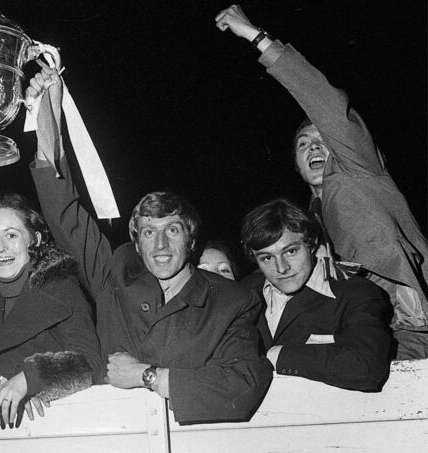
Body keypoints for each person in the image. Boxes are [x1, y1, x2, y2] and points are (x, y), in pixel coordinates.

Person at [26, 62, 272, 425]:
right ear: (136, 242)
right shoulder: (113, 278)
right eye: (147, 231)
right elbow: (62, 209)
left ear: (191, 240)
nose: (159, 243)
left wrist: (148, 375)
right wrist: (50, 106)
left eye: (172, 230)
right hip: (115, 436)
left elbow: (242, 386)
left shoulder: (232, 301)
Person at [216, 4, 428, 360]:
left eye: (323, 141)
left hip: (412, 321)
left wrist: (254, 36)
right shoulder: (309, 218)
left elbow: (325, 102)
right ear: (296, 163)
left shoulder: (358, 172)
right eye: (304, 144)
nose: (314, 147)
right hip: (363, 326)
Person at [0, 192, 104, 427]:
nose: (0, 247)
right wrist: (0, 378)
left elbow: (88, 362)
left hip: (60, 425)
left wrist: (28, 379)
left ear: (34, 240)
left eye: (11, 235)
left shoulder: (61, 290)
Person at [240, 198, 391, 390]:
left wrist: (278, 356)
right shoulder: (243, 294)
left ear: (311, 244)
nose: (281, 268)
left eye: (291, 251)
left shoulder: (355, 293)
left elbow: (366, 367)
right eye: (267, 257)